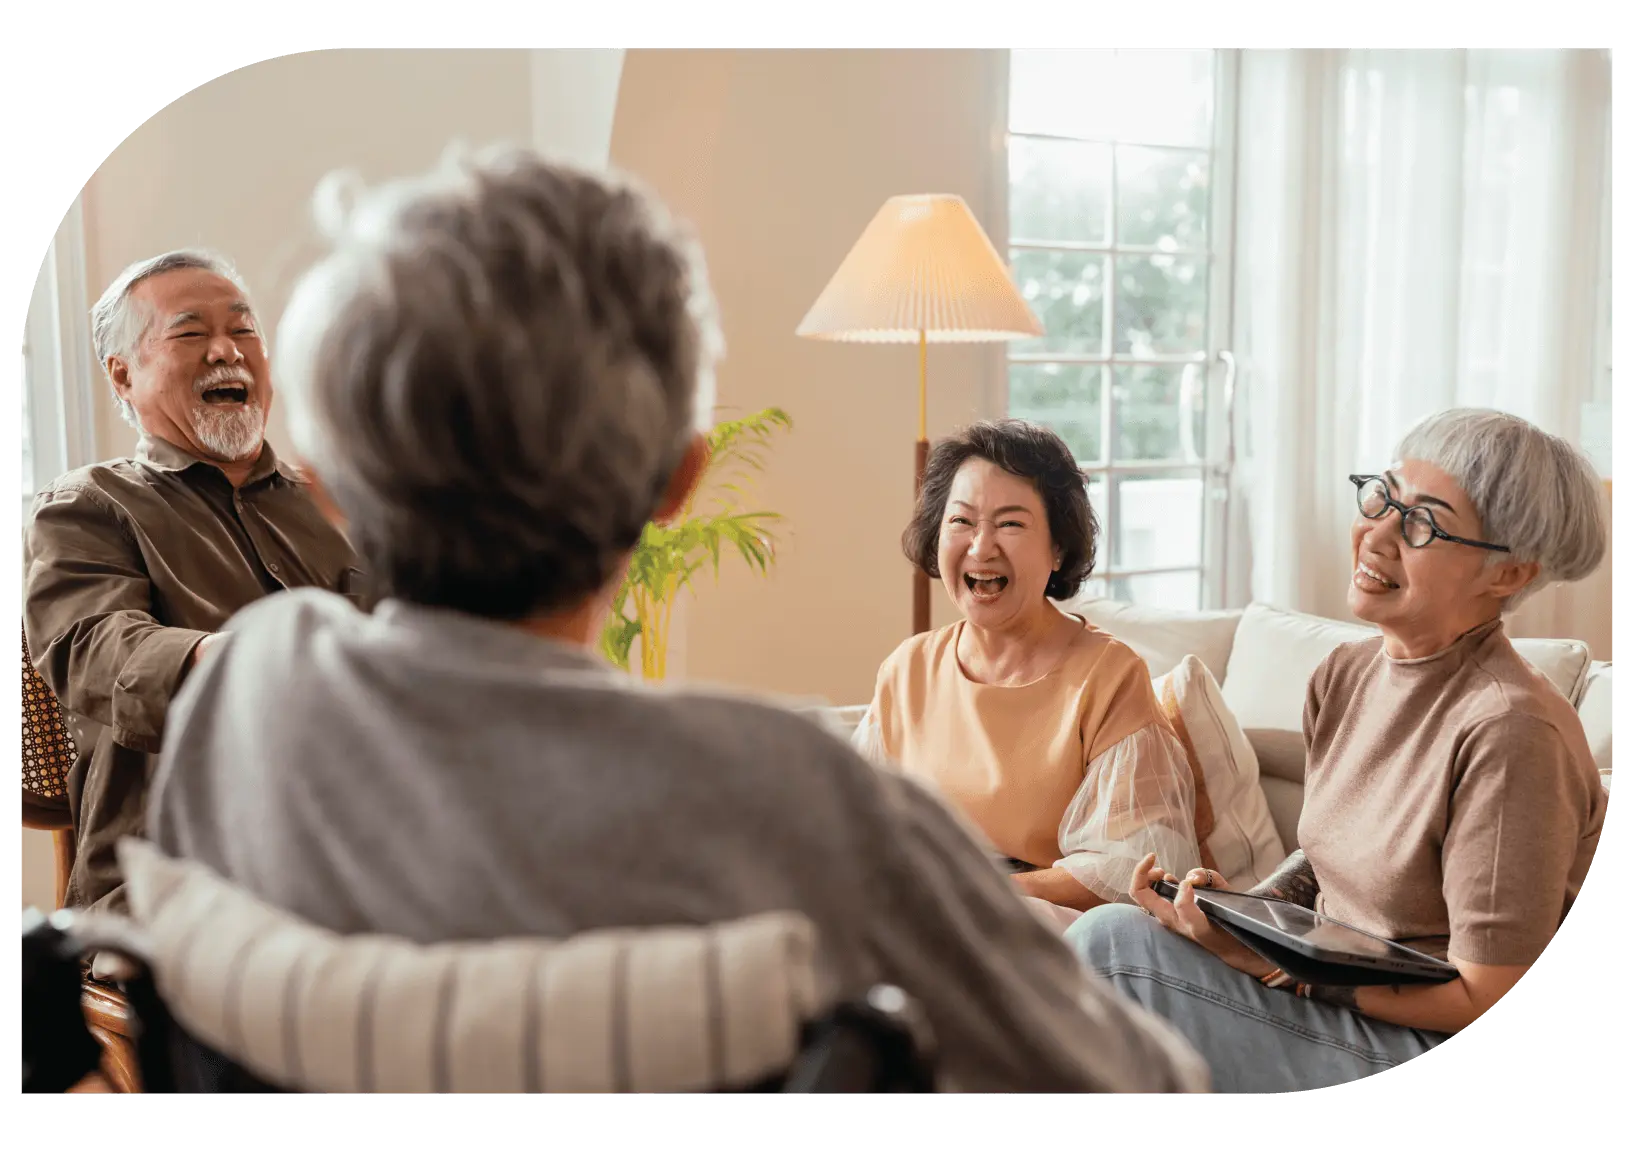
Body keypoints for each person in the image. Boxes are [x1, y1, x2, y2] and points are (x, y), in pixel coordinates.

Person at [144, 145, 1210, 1094]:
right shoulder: (793, 799)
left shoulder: (244, 696)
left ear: (323, 483)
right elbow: (1137, 1077)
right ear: (678, 480)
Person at [1066, 408, 1610, 1093]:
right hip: (1333, 999)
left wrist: (1278, 971)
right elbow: (1330, 866)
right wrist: (1239, 918)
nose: (1376, 535)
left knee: (1110, 947)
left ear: (1508, 574)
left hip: (1417, 1036)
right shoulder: (1346, 676)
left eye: (1422, 522)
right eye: (1382, 497)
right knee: (1117, 936)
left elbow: (1486, 995)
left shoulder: (1510, 732)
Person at [22, 249, 363, 916]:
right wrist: (249, 658)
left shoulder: (341, 506)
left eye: (243, 330)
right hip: (178, 883)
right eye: (189, 332)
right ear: (122, 374)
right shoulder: (86, 506)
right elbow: (97, 651)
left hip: (365, 862)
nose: (225, 352)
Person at [853, 420, 1201, 924]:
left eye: (1010, 524)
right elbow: (857, 822)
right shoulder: (908, 667)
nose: (981, 547)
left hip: (1040, 924)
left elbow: (1134, 868)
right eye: (962, 521)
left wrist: (982, 891)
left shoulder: (1108, 675)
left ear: (1058, 548)